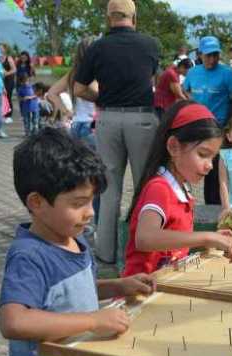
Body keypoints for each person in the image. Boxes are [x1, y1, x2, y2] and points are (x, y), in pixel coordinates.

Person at [0, 127, 156, 356]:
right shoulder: (29, 256)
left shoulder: (73, 238)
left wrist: (118, 286)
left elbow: (67, 293)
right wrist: (94, 321)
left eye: (91, 201)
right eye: (78, 203)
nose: (90, 212)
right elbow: (15, 321)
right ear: (37, 202)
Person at [74, 0, 160, 265]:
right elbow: (152, 78)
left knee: (109, 190)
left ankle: (106, 253)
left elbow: (78, 89)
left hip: (108, 119)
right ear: (133, 17)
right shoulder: (150, 44)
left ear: (109, 18)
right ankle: (142, 248)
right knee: (144, 186)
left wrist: (101, 98)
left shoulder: (98, 47)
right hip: (142, 119)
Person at [122, 101, 232, 277]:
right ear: (173, 146)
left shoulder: (182, 188)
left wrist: (212, 240)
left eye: (213, 158)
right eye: (202, 154)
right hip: (141, 291)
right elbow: (145, 238)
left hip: (166, 284)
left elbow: (175, 243)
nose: (210, 166)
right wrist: (207, 237)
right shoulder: (159, 188)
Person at [183, 36, 232, 204]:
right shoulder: (193, 72)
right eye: (208, 55)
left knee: (215, 170)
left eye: (215, 55)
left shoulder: (228, 74)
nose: (212, 59)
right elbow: (185, 90)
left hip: (218, 128)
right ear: (200, 54)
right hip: (197, 126)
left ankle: (216, 205)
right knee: (190, 165)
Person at [48, 36, 98, 148]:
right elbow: (97, 92)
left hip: (76, 125)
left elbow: (51, 93)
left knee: (78, 163)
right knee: (97, 163)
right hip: (93, 125)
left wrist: (66, 111)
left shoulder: (73, 73)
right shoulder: (96, 72)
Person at [0, 43, 16, 122]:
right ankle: (2, 114)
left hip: (9, 80)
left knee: (8, 97)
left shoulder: (8, 58)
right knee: (1, 98)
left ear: (5, 49)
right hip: (0, 81)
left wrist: (6, 73)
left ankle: (9, 115)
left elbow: (14, 69)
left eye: (1, 48)